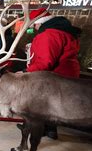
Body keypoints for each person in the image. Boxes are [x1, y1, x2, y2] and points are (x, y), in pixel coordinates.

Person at [26, 7, 81, 140]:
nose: (34, 28)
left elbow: (45, 62)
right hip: (65, 75)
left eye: (34, 25)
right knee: (51, 104)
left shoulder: (49, 34)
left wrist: (26, 72)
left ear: (39, 22)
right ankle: (49, 129)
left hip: (55, 77)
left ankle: (40, 129)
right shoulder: (61, 31)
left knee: (41, 103)